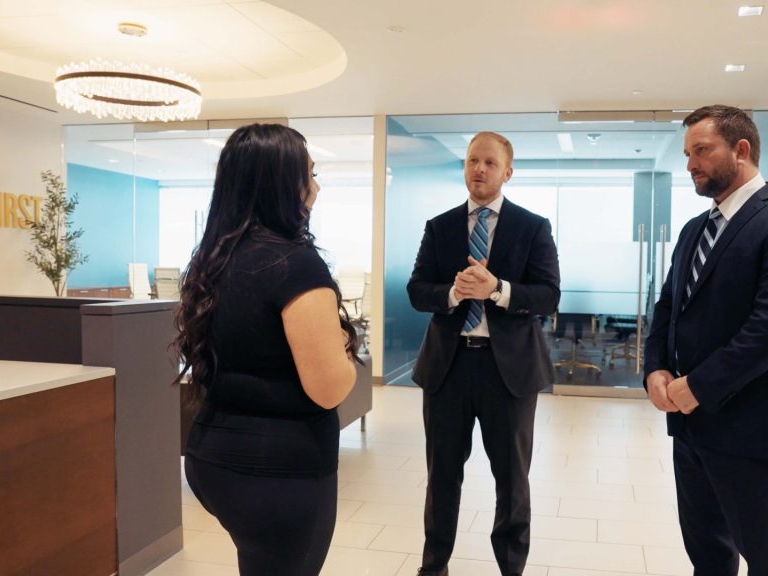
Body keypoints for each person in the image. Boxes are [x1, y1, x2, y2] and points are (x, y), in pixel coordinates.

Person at [642, 105, 768, 576]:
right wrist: (656, 368)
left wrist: (696, 386)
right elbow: (668, 307)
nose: (690, 164)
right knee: (707, 553)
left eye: (701, 150)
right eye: (687, 153)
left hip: (750, 426)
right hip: (690, 427)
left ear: (740, 150)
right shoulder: (693, 230)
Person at [174, 123, 361, 576]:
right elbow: (330, 388)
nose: (314, 190)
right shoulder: (294, 264)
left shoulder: (213, 258)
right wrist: (341, 347)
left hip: (211, 458)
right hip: (280, 473)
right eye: (308, 176)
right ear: (283, 185)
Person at [407, 131, 560, 576]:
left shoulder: (533, 227)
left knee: (512, 481)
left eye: (490, 163)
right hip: (447, 370)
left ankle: (511, 568)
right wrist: (453, 292)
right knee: (442, 478)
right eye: (473, 160)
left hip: (508, 372)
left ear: (507, 172)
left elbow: (549, 295)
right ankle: (433, 567)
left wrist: (498, 289)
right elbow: (418, 291)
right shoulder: (439, 226)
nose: (479, 169)